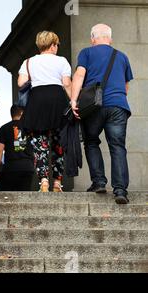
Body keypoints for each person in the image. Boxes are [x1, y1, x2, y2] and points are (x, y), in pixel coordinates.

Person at [71, 24, 133, 204]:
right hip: (118, 106)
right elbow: (126, 85)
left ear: (92, 38)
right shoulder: (122, 57)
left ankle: (99, 182)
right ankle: (120, 190)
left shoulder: (86, 53)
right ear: (110, 38)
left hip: (94, 106)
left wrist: (74, 100)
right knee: (118, 146)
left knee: (91, 141)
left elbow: (79, 76)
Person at [17, 31, 72, 192]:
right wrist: (74, 103)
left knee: (39, 145)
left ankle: (43, 181)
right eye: (57, 45)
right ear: (53, 45)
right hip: (57, 101)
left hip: (37, 102)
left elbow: (21, 82)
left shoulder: (28, 62)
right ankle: (57, 182)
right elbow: (67, 84)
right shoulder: (61, 61)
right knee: (59, 144)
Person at [0, 105, 35, 191]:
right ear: (22, 113)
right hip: (27, 167)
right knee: (25, 196)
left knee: (8, 197)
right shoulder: (30, 128)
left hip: (11, 168)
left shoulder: (4, 128)